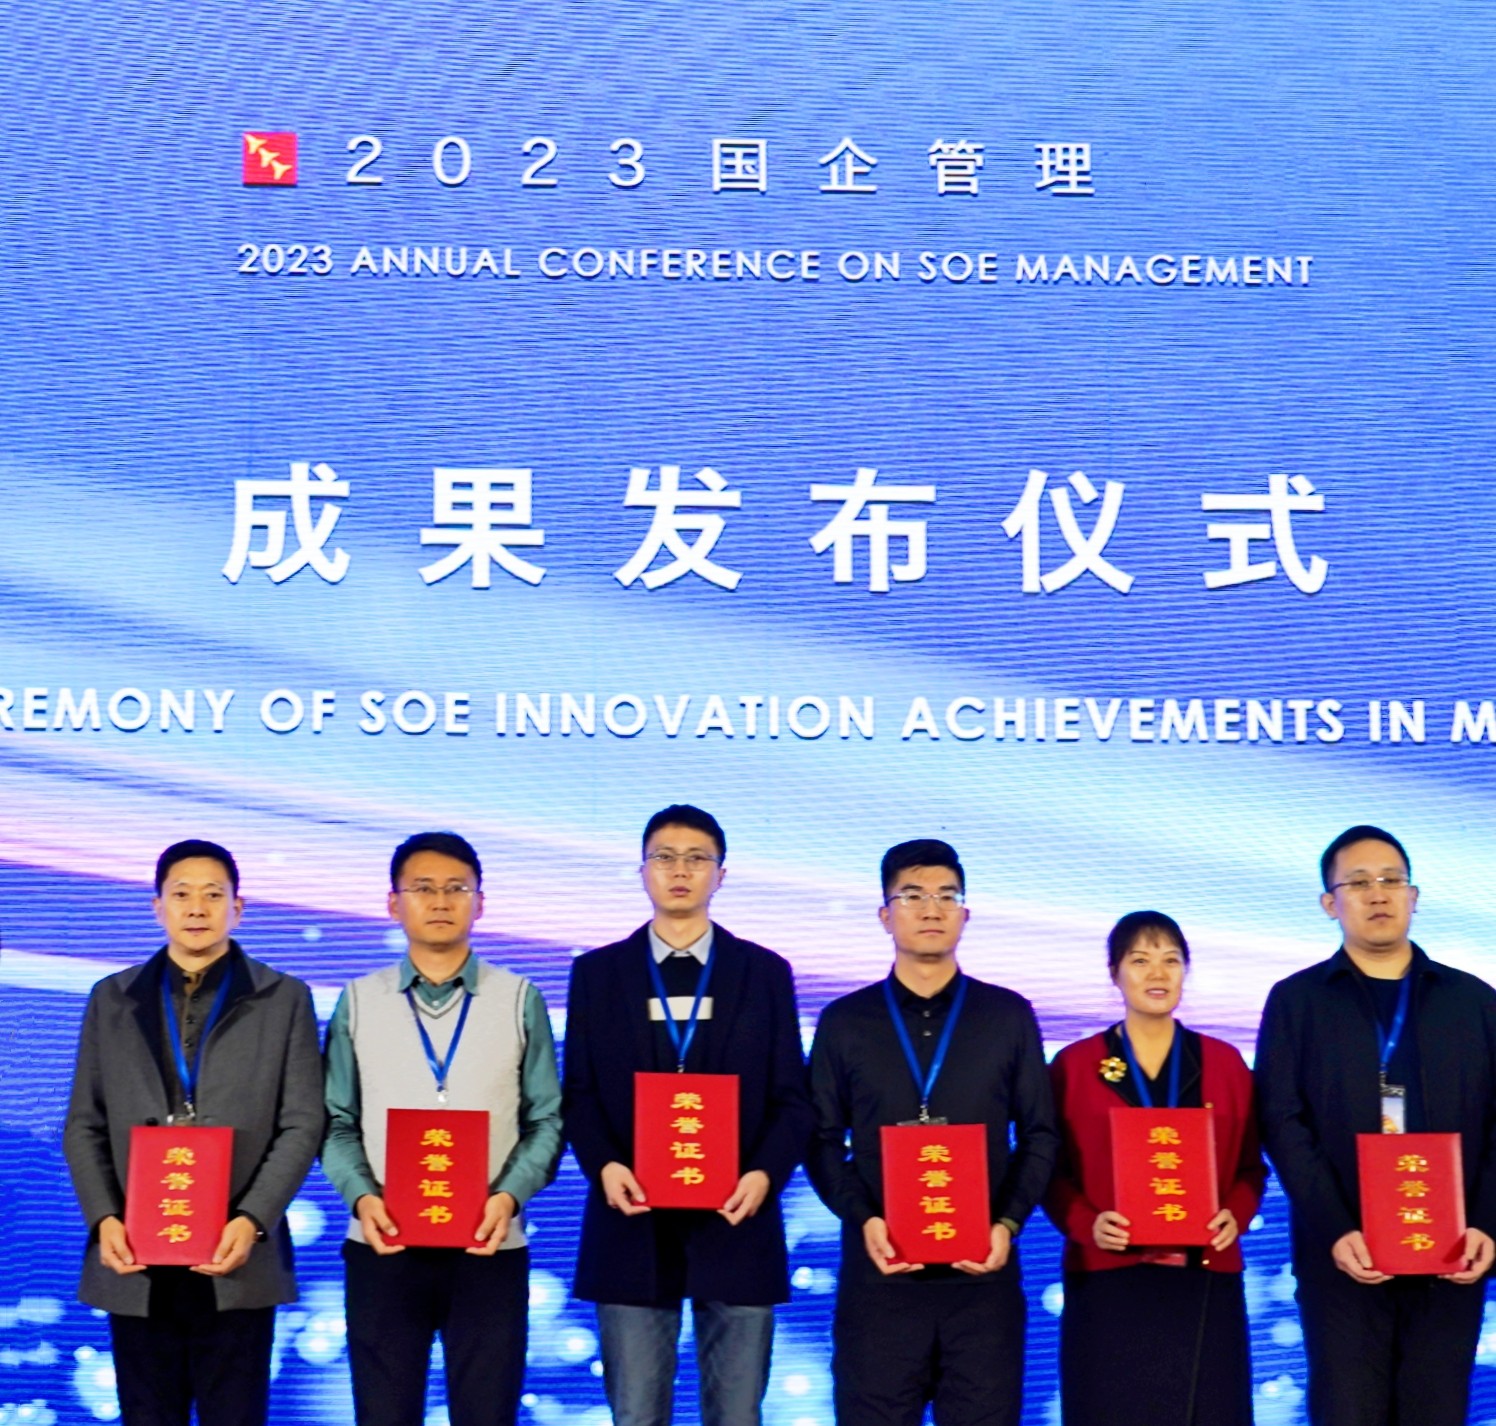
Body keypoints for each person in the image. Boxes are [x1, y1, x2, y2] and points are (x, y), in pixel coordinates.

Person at [563, 804, 812, 1426]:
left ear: (720, 874)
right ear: (642, 870)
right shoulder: (597, 974)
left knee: (737, 1415)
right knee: (637, 1413)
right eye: (665, 858)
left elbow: (792, 1098)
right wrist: (606, 1166)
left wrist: (763, 1176)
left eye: (697, 859)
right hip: (632, 1220)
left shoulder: (764, 973)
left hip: (738, 1219)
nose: (680, 871)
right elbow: (579, 1094)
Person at [63, 839, 324, 1426]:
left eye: (214, 894)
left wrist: (252, 1219)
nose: (198, 908)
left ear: (239, 908)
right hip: (135, 1253)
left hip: (237, 1253)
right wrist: (105, 1219)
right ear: (158, 907)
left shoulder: (284, 998)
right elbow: (83, 1122)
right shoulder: (112, 998)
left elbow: (303, 1122)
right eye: (182, 894)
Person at [806, 838, 1059, 1426]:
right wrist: (863, 1219)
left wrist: (1007, 1224)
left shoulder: (1007, 1015)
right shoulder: (845, 1021)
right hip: (881, 1280)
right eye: (913, 895)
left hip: (983, 1285)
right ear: (884, 914)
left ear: (965, 914)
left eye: (947, 896)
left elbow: (1041, 1133)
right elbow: (820, 1138)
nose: (931, 909)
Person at [1256, 824, 1496, 1426]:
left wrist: (1487, 1224)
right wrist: (1336, 1227)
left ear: (1414, 896)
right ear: (1329, 903)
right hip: (1343, 1259)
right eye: (1358, 883)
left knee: (1436, 1410)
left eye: (1391, 880)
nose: (1378, 893)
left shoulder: (1475, 1002)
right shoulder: (1297, 1002)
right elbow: (1281, 1122)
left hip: (1452, 1257)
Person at [323, 831, 563, 1426]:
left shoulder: (519, 998)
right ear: (393, 903)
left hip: (489, 1245)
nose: (439, 901)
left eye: (456, 888)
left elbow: (546, 1118)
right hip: (384, 1244)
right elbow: (335, 1120)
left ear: (480, 903)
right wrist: (363, 1198)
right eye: (422, 888)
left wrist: (508, 1197)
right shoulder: (359, 1000)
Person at [1044, 910, 1264, 1426]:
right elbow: (1048, 1171)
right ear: (1114, 973)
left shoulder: (1225, 1063)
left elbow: (1252, 1168)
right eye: (1140, 961)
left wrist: (1235, 1214)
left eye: (1171, 960)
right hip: (1107, 1274)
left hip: (1204, 1275)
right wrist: (1087, 1224)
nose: (1157, 974)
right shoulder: (1074, 1066)